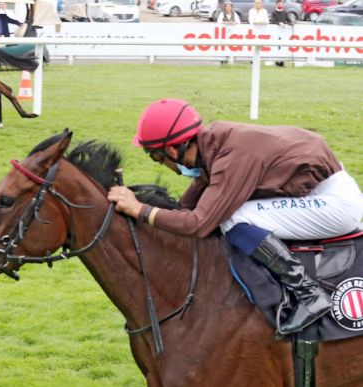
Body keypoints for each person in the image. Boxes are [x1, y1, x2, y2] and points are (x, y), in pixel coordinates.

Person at [107, 99, 363, 335]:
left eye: (154, 156)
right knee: (227, 213)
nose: (158, 162)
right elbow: (186, 205)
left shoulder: (232, 157)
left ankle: (309, 294)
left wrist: (141, 210)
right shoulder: (213, 142)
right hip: (316, 188)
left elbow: (198, 223)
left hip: (335, 204)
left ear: (172, 151)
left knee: (234, 217)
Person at [271, 0, 293, 67]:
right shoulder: (274, 12)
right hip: (276, 33)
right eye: (279, 4)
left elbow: (288, 20)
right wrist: (279, 23)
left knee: (283, 47)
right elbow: (273, 21)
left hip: (283, 33)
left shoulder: (285, 12)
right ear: (276, 4)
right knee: (277, 47)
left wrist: (291, 23)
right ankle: (277, 62)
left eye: (281, 4)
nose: (280, 5)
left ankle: (282, 62)